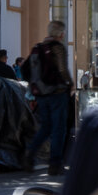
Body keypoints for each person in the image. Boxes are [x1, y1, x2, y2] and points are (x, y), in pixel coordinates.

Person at [26, 21, 73, 175]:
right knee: (59, 129)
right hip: (56, 93)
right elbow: (62, 69)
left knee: (45, 127)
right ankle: (55, 163)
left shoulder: (37, 48)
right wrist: (70, 83)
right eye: (63, 32)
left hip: (40, 94)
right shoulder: (58, 48)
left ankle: (30, 154)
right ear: (60, 33)